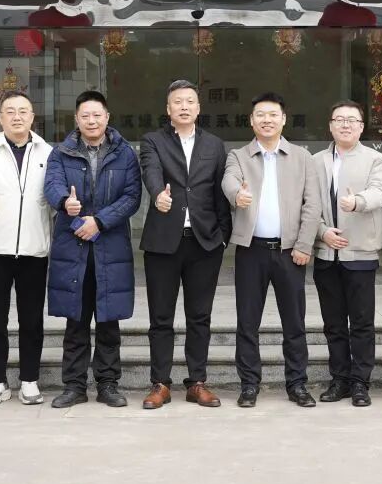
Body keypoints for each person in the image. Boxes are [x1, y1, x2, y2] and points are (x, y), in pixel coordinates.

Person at [223, 92, 322, 409]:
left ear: (283, 119)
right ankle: (249, 384)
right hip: (250, 250)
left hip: (290, 252)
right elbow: (229, 181)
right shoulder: (239, 156)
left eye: (273, 114)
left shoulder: (302, 157)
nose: (267, 120)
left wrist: (304, 244)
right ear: (251, 121)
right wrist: (237, 195)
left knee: (294, 323)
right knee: (247, 322)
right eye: (260, 115)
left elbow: (313, 204)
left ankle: (297, 384)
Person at [44, 90, 141, 408]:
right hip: (73, 246)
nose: (91, 121)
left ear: (107, 117)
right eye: (85, 115)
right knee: (76, 320)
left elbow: (132, 196)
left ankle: (108, 384)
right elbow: (52, 185)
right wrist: (65, 203)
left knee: (109, 321)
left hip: (110, 246)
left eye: (97, 115)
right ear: (77, 119)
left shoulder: (124, 153)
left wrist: (99, 221)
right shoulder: (61, 152)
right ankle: (74, 386)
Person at [139, 80, 232, 409]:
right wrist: (157, 194)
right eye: (177, 102)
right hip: (163, 242)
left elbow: (220, 191)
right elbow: (150, 171)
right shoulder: (153, 141)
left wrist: (222, 235)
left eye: (189, 101)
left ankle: (197, 382)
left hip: (204, 243)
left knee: (200, 316)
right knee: (161, 317)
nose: (183, 106)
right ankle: (160, 383)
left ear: (198, 108)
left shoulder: (215, 145)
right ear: (168, 109)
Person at [0, 91, 53, 406]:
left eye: (23, 111)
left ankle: (29, 379)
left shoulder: (48, 152)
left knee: (31, 319)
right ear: (0, 117)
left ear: (32, 117)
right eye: (10, 111)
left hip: (34, 248)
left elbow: (54, 191)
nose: (17, 117)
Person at [312, 100, 382, 408]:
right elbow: (307, 204)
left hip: (360, 253)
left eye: (352, 120)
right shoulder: (315, 161)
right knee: (333, 323)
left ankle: (360, 382)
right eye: (339, 119)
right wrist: (322, 232)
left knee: (361, 323)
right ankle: (340, 379)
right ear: (330, 126)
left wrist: (357, 201)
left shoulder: (376, 160)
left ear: (361, 127)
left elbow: (380, 192)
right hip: (326, 253)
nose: (345, 124)